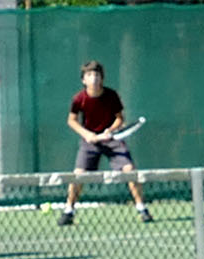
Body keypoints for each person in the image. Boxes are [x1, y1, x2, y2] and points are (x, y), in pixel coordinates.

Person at [60, 62, 142, 222]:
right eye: (89, 75)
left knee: (130, 170)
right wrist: (87, 134)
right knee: (78, 175)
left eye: (97, 75)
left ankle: (141, 208)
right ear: (84, 80)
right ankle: (68, 211)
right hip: (89, 142)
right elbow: (71, 120)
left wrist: (109, 131)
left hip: (112, 141)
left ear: (102, 78)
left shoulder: (111, 96)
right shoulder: (79, 99)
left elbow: (120, 119)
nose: (94, 78)